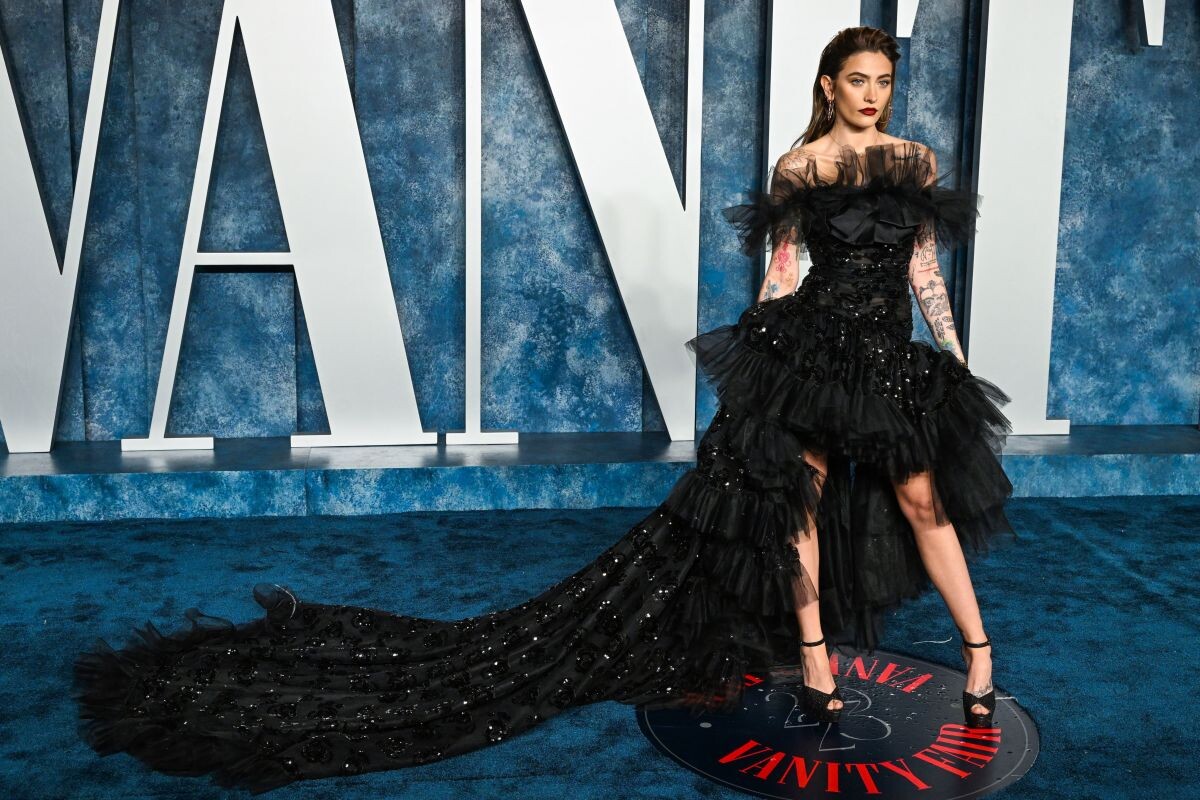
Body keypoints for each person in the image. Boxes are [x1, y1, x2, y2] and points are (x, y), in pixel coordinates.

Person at [73, 25, 1014, 794]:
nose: (873, 95)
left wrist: (956, 354)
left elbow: (925, 268)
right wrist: (761, 361)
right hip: (811, 350)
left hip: (889, 358)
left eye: (884, 82)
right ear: (828, 86)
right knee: (795, 504)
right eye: (858, 81)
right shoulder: (800, 165)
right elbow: (781, 272)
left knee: (922, 501)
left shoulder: (915, 158)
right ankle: (814, 660)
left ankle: (978, 654)